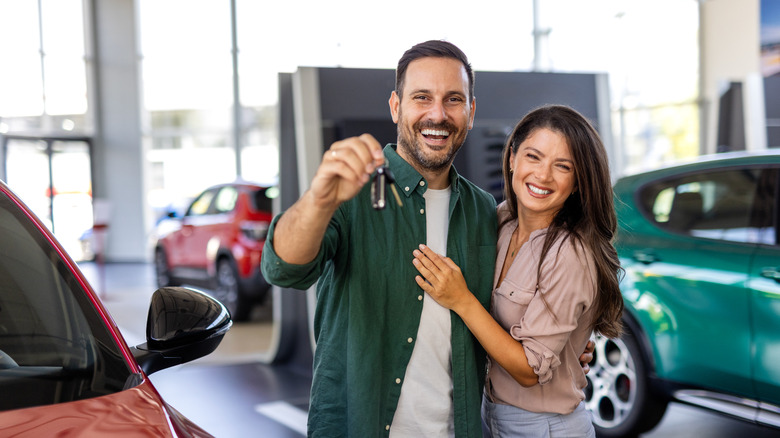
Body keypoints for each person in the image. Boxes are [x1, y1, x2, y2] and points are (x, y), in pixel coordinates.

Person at [261, 41, 593, 437]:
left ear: (470, 113)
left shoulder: (484, 210)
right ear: (396, 106)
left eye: (453, 99)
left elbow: (513, 307)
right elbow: (284, 269)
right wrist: (318, 198)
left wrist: (570, 348)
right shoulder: (354, 193)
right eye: (422, 98)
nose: (438, 114)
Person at [412, 104, 624, 437]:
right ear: (512, 158)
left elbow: (528, 371)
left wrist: (461, 299)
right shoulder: (500, 221)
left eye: (562, 166)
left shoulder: (569, 252)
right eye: (534, 157)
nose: (543, 175)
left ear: (579, 181)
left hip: (545, 427)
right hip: (493, 415)